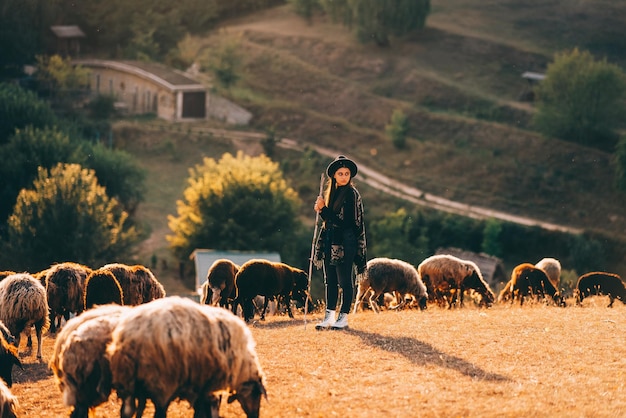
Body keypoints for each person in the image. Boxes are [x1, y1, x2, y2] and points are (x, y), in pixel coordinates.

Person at [313, 155, 367, 330]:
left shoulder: (351, 194)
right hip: (331, 240)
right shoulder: (333, 193)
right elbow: (331, 220)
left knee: (345, 281)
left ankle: (343, 317)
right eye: (340, 173)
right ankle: (329, 316)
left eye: (346, 173)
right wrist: (322, 210)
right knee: (330, 281)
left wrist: (324, 210)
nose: (344, 176)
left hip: (346, 243)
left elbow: (348, 223)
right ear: (334, 176)